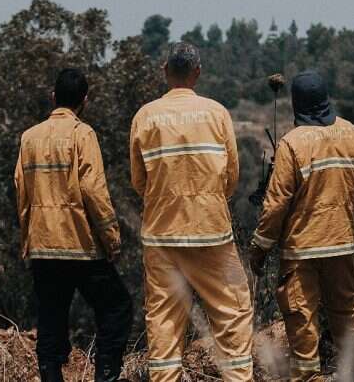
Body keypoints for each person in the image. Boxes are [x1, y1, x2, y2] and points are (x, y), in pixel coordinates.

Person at [129, 42, 254, 382]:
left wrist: (163, 201)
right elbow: (231, 176)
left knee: (164, 322)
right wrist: (210, 199)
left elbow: (139, 181)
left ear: (164, 71)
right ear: (197, 73)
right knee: (232, 312)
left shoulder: (145, 116)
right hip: (211, 232)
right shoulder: (217, 113)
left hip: (161, 235)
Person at [248, 70, 354, 382]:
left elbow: (276, 202)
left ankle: (308, 377)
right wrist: (346, 224)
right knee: (347, 310)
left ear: (296, 104)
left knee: (301, 316)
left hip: (302, 249)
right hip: (342, 242)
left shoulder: (292, 143)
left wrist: (260, 247)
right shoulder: (353, 134)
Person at [14, 68, 133, 382]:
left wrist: (27, 240)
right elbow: (94, 190)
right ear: (85, 100)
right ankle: (105, 376)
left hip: (42, 246)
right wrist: (112, 240)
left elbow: (21, 192)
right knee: (117, 308)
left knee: (50, 323)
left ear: (53, 98)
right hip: (81, 247)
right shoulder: (83, 134)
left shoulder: (29, 137)